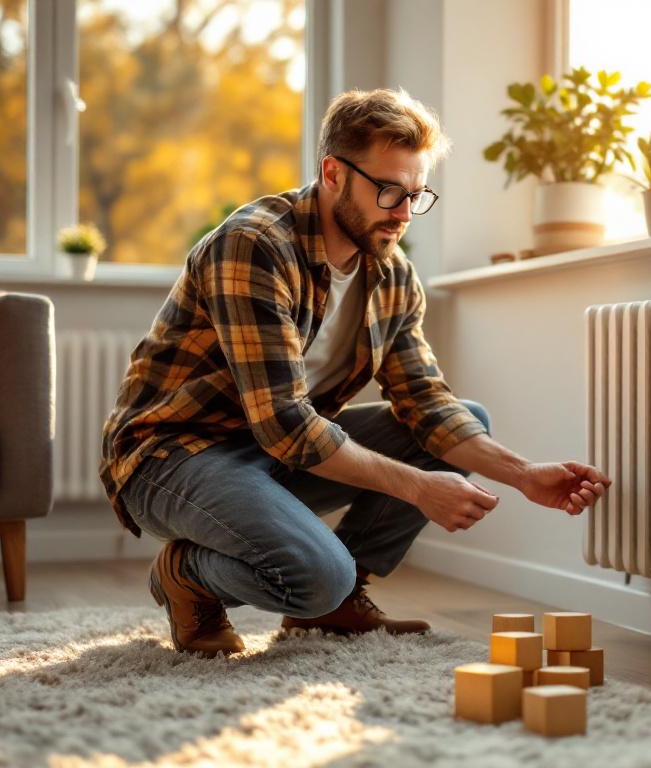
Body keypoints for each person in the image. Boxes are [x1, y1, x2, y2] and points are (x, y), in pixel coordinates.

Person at [100, 88, 611, 657]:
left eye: (416, 195)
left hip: (273, 455)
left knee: (465, 419)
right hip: (173, 455)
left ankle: (338, 605)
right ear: (333, 173)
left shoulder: (393, 276)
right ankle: (189, 574)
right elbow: (286, 424)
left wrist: (522, 473)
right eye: (389, 190)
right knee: (317, 577)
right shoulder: (255, 245)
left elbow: (425, 402)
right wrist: (419, 488)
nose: (404, 213)